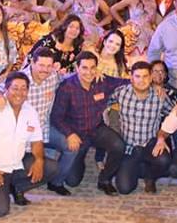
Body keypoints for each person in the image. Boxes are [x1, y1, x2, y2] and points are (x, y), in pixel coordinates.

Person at [0, 74, 58, 217]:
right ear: (6, 89)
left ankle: (13, 187)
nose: (19, 92)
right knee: (0, 210)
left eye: (24, 88)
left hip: (17, 165)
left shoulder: (30, 111)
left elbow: (36, 140)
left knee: (51, 168)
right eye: (15, 88)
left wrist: (39, 160)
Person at [47, 52, 127, 196]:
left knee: (118, 145)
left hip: (97, 129)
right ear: (77, 68)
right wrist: (69, 134)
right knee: (72, 181)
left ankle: (104, 180)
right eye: (84, 68)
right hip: (77, 134)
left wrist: (156, 85)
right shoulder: (67, 87)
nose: (89, 72)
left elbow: (126, 81)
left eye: (92, 68)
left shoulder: (102, 81)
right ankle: (78, 160)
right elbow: (56, 117)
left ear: (97, 68)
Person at [109, 61, 173, 194]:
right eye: (137, 76)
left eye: (145, 76)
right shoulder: (121, 93)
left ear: (150, 78)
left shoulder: (160, 96)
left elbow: (174, 116)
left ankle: (150, 177)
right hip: (129, 147)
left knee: (165, 161)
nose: (141, 80)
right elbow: (103, 102)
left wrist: (162, 137)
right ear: (131, 78)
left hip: (150, 145)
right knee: (124, 188)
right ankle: (137, 167)